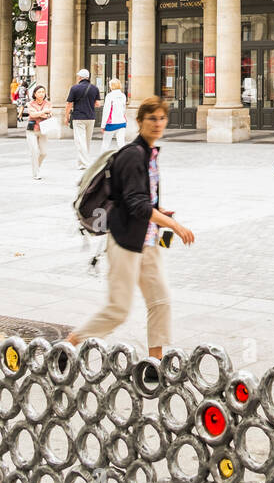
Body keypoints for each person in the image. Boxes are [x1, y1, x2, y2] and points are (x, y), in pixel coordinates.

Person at [66, 96, 195, 359]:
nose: (158, 124)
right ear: (139, 122)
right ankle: (71, 343)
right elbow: (137, 205)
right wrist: (174, 225)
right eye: (152, 119)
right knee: (118, 310)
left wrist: (160, 213)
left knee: (160, 302)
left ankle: (154, 364)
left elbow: (140, 199)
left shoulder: (149, 153)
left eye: (161, 118)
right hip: (125, 241)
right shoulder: (133, 155)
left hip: (147, 240)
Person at [65, 68, 101, 171]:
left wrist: (66, 117)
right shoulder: (94, 88)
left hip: (79, 117)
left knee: (80, 142)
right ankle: (81, 164)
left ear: (80, 77)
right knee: (86, 141)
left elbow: (69, 104)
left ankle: (86, 163)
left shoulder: (74, 88)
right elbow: (98, 104)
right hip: (91, 117)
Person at [25, 84, 52, 181]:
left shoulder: (48, 103)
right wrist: (43, 112)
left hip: (43, 130)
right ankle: (36, 173)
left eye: (43, 92)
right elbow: (32, 114)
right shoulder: (30, 104)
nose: (41, 94)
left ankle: (37, 167)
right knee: (34, 152)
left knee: (44, 153)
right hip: (32, 130)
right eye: (39, 92)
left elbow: (49, 114)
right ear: (35, 94)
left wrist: (42, 113)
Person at [100, 77, 128, 151]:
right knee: (121, 144)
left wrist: (103, 125)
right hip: (122, 122)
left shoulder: (109, 96)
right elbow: (123, 109)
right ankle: (124, 160)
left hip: (111, 123)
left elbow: (106, 111)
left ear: (111, 86)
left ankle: (103, 160)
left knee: (105, 144)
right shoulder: (123, 95)